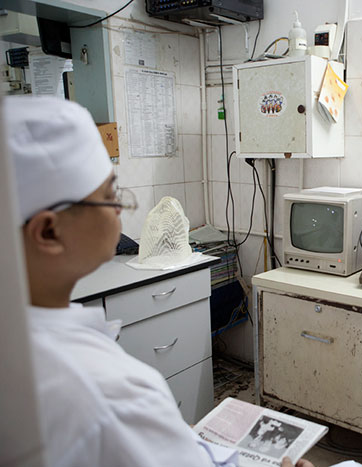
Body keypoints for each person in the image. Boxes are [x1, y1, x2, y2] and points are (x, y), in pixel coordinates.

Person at [6, 95, 314, 467]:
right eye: (108, 196)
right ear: (49, 233)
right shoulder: (106, 393)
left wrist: (165, 431)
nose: (120, 209)